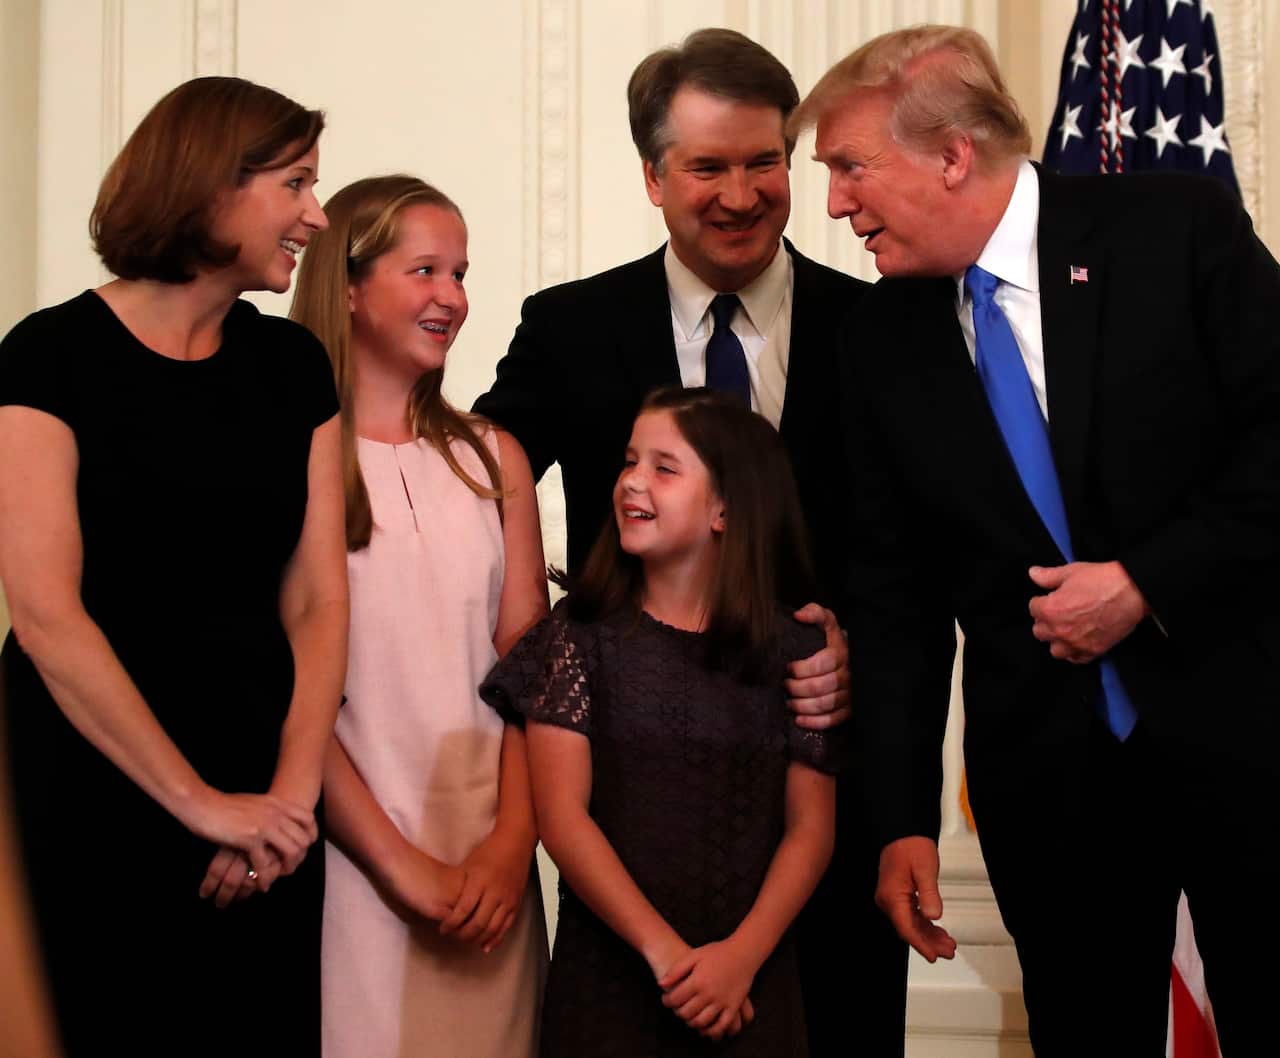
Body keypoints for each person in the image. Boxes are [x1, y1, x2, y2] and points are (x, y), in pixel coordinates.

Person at [793, 24, 1280, 1057]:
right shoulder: (876, 338)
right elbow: (894, 600)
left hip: (1241, 737)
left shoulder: (1171, 229)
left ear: (950, 154)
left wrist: (1146, 581)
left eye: (848, 166)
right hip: (1049, 786)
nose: (832, 203)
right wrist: (901, 817)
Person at [473, 28, 909, 1054]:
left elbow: (913, 550)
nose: (740, 192)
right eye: (707, 165)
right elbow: (477, 472)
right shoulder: (571, 325)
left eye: (764, 161)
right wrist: (534, 631)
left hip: (825, 782)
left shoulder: (880, 328)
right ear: (653, 176)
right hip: (633, 817)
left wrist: (851, 641)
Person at [0, 77, 346, 1055]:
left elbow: (321, 599)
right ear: (212, 187)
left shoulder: (292, 366)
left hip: (268, 795)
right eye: (297, 183)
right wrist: (200, 804)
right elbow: (45, 614)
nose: (316, 215)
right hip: (92, 789)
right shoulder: (46, 355)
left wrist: (283, 800)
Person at [481, 387, 839, 1056]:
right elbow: (563, 819)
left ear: (726, 508)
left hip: (752, 983)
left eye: (664, 467)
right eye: (629, 461)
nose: (632, 482)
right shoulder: (578, 638)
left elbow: (811, 828)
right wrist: (669, 958)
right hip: (611, 982)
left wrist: (739, 959)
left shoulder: (797, 651)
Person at [289, 175, 548, 1058]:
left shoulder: (492, 457)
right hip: (348, 861)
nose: (455, 297)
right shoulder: (292, 461)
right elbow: (286, 686)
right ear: (349, 287)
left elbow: (533, 670)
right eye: (426, 270)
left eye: (462, 273)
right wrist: (398, 866)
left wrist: (513, 844)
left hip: (493, 867)